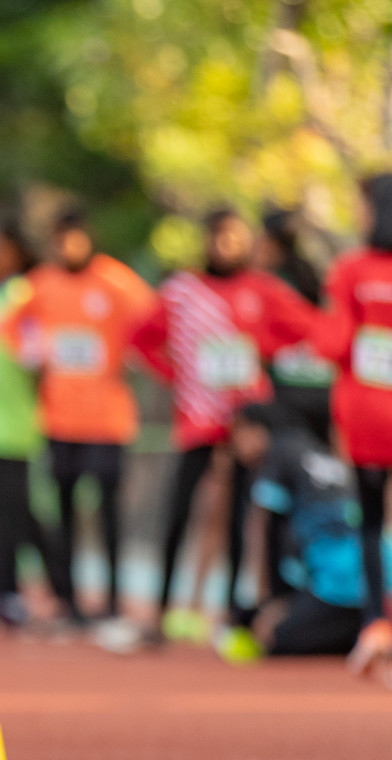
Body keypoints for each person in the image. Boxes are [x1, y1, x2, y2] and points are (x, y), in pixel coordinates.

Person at [131, 208, 321, 644]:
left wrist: (265, 354)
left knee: (241, 521)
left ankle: (233, 614)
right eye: (219, 237)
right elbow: (141, 337)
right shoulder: (182, 292)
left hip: (245, 427)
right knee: (179, 513)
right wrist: (176, 373)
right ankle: (159, 611)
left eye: (235, 238)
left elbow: (308, 329)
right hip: (197, 422)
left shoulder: (263, 289)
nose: (226, 246)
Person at [2, 207, 155, 622]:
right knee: (65, 510)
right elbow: (8, 326)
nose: (68, 247)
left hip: (108, 418)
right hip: (60, 418)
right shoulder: (39, 284)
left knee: (108, 512)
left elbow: (153, 319)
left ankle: (112, 597)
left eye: (75, 237)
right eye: (60, 239)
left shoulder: (116, 281)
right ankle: (69, 598)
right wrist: (30, 352)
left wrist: (135, 355)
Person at [0, 218, 73, 628]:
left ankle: (49, 592)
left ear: (13, 250)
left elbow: (37, 352)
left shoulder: (25, 294)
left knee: (21, 518)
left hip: (16, 425)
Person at [317, 173, 392, 686]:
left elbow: (334, 342)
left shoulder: (350, 271)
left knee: (369, 520)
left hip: (366, 412)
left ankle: (375, 624)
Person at [225, 403, 365, 658]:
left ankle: (352, 635)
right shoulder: (314, 449)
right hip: (368, 582)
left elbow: (269, 529)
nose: (233, 445)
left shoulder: (277, 453)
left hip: (335, 586)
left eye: (236, 433)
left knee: (272, 638)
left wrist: (274, 600)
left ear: (257, 431)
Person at [258, 208, 336, 443]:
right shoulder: (306, 272)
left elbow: (306, 324)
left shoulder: (271, 282)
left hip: (285, 383)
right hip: (319, 381)